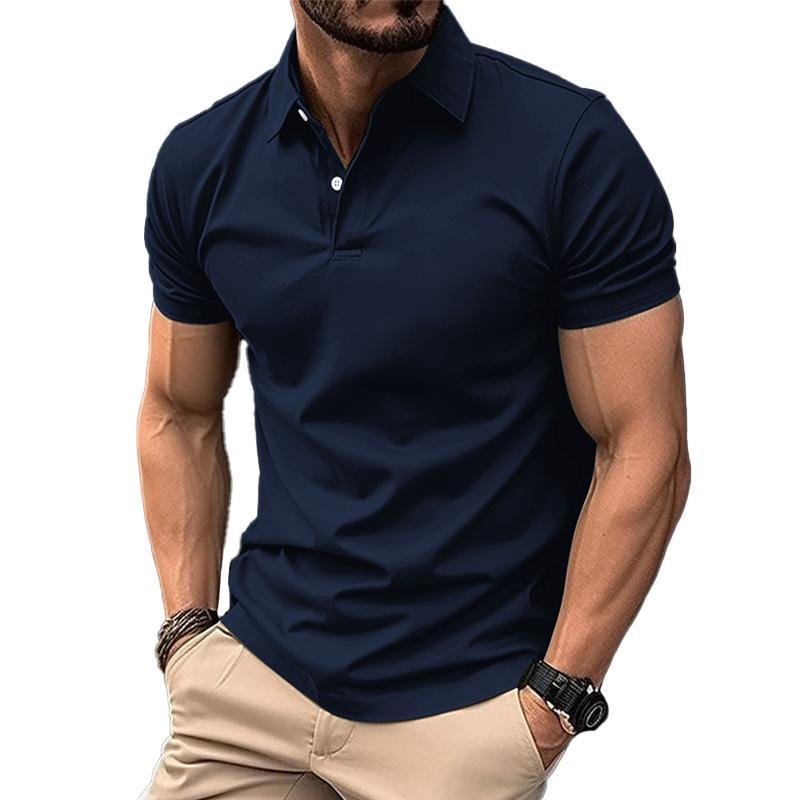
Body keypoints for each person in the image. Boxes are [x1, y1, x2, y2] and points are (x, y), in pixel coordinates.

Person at [137, 2, 690, 798]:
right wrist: (187, 634)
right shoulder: (203, 163)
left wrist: (555, 700)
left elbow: (644, 445)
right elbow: (177, 410)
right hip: (253, 687)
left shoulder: (569, 147)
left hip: (462, 715)